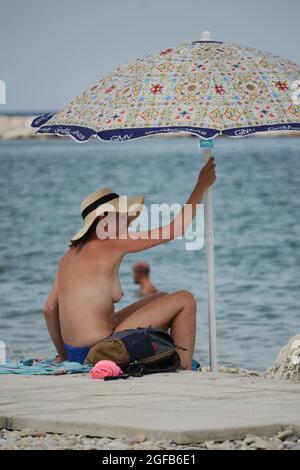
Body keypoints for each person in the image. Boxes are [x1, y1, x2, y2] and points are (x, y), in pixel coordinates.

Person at [43, 157, 216, 370]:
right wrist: (200, 186)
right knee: (185, 299)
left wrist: (63, 356)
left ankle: (172, 357)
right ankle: (184, 369)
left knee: (162, 298)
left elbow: (49, 309)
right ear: (103, 220)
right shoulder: (109, 243)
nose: (128, 221)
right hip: (101, 349)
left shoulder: (69, 255)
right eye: (122, 216)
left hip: (76, 352)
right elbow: (175, 229)